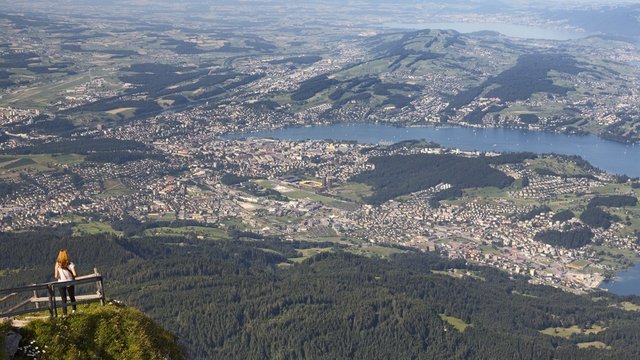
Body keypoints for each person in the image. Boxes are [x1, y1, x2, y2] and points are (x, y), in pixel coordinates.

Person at [54, 249, 77, 315]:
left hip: (61, 283)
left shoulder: (57, 264)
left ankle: (65, 313)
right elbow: (75, 274)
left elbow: (56, 276)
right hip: (70, 282)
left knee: (63, 299)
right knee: (72, 296)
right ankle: (74, 310)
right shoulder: (70, 264)